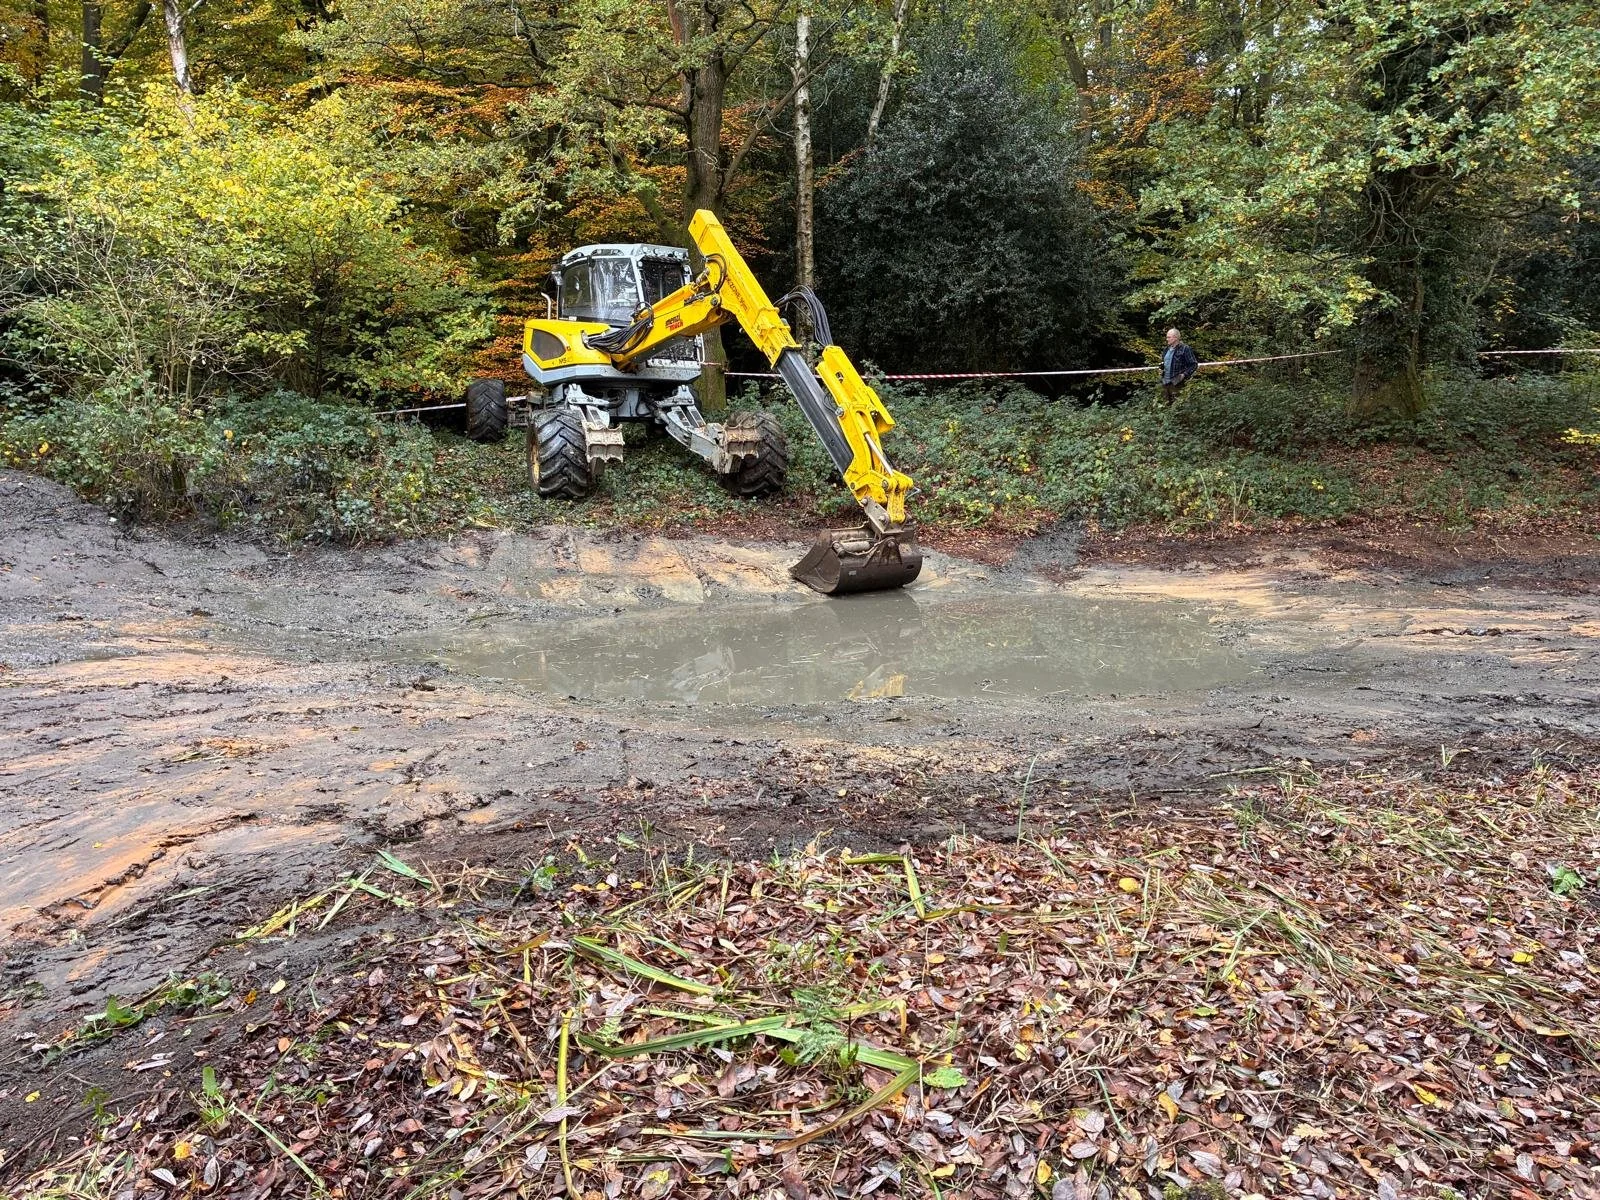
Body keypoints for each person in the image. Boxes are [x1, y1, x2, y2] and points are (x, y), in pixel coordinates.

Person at [1160, 327, 1199, 404]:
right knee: (1165, 407)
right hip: (1165, 382)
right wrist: (1161, 369)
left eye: (1168, 337)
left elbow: (1193, 364)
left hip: (1177, 383)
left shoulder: (1185, 349)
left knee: (1178, 407)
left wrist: (1183, 375)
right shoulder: (1166, 349)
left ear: (1175, 337)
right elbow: (1164, 363)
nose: (1167, 339)